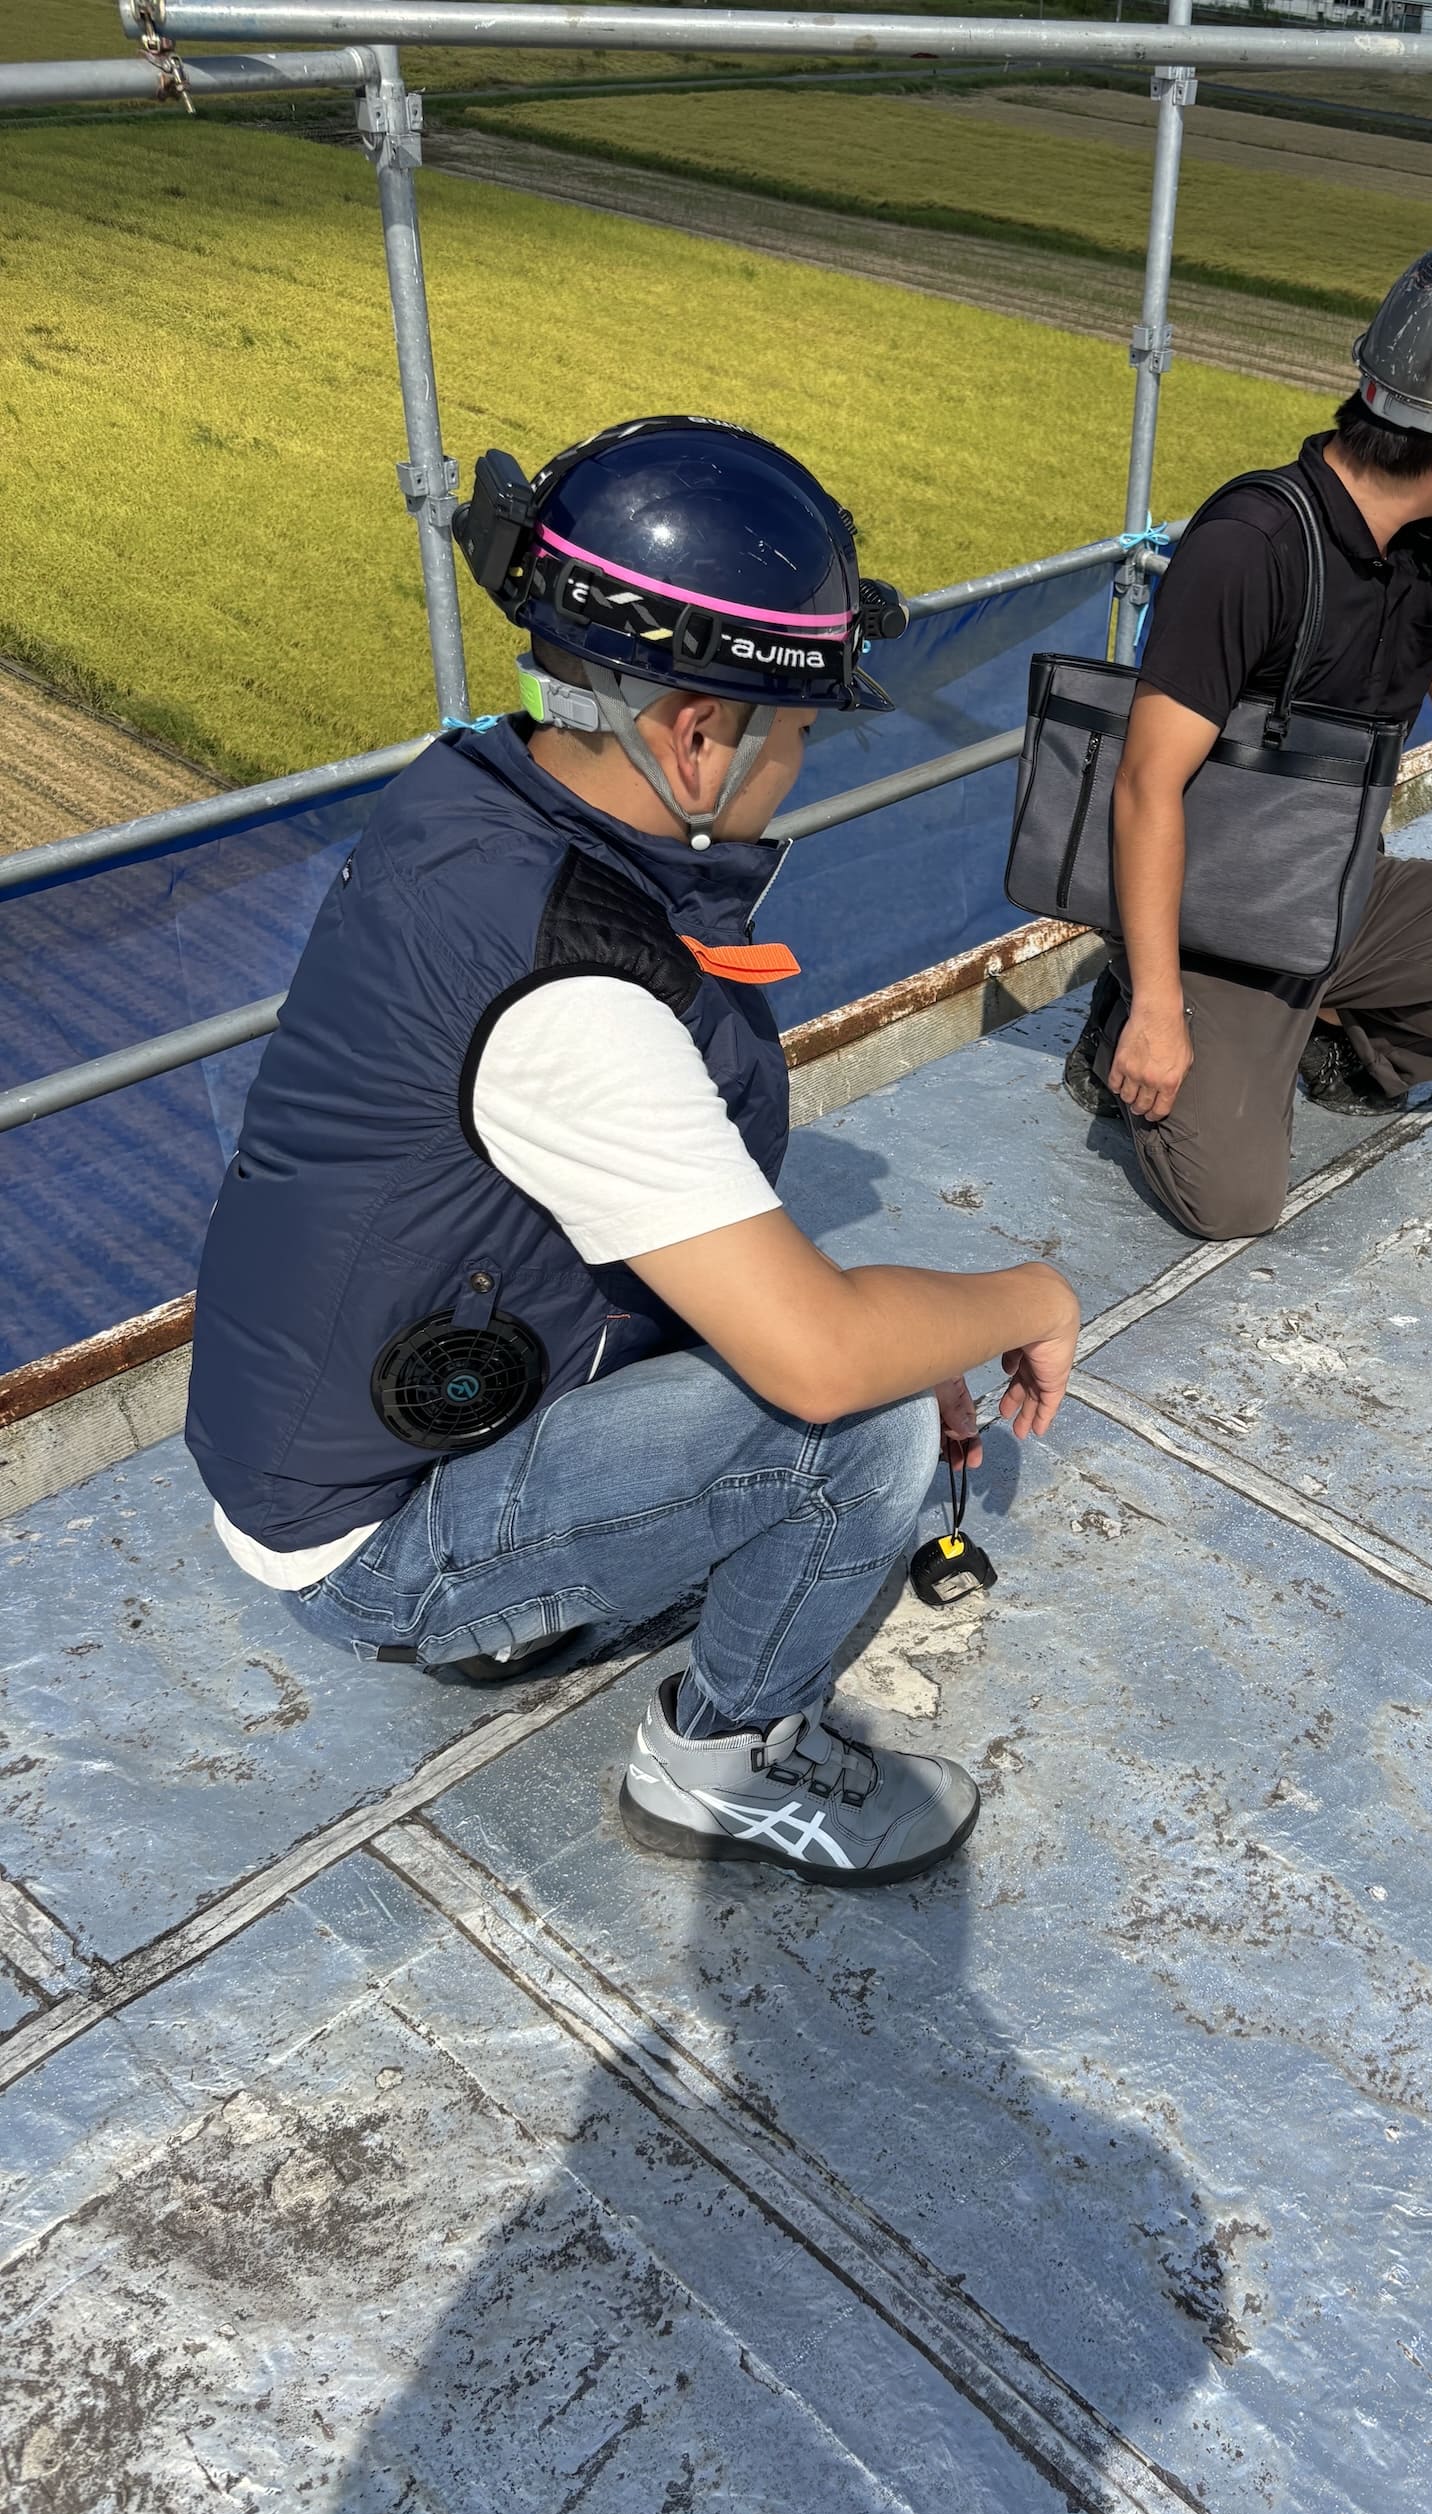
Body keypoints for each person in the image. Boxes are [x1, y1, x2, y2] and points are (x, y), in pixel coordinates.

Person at [185, 417, 1079, 1888]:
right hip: (377, 1543)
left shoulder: (486, 794)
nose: (794, 765)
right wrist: (1030, 1294)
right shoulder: (575, 991)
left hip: (337, 1441)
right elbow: (817, 1361)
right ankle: (723, 1767)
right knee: (853, 1429)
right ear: (696, 737)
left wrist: (890, 1328)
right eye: (793, 735)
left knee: (849, 1348)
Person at [1067, 239, 1432, 1240]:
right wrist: (1154, 1005)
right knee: (1231, 1205)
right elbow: (1143, 787)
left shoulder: (1428, 550)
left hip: (1334, 890)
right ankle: (1125, 1028)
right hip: (1213, 922)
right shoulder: (1251, 544)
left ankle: (1314, 1026)